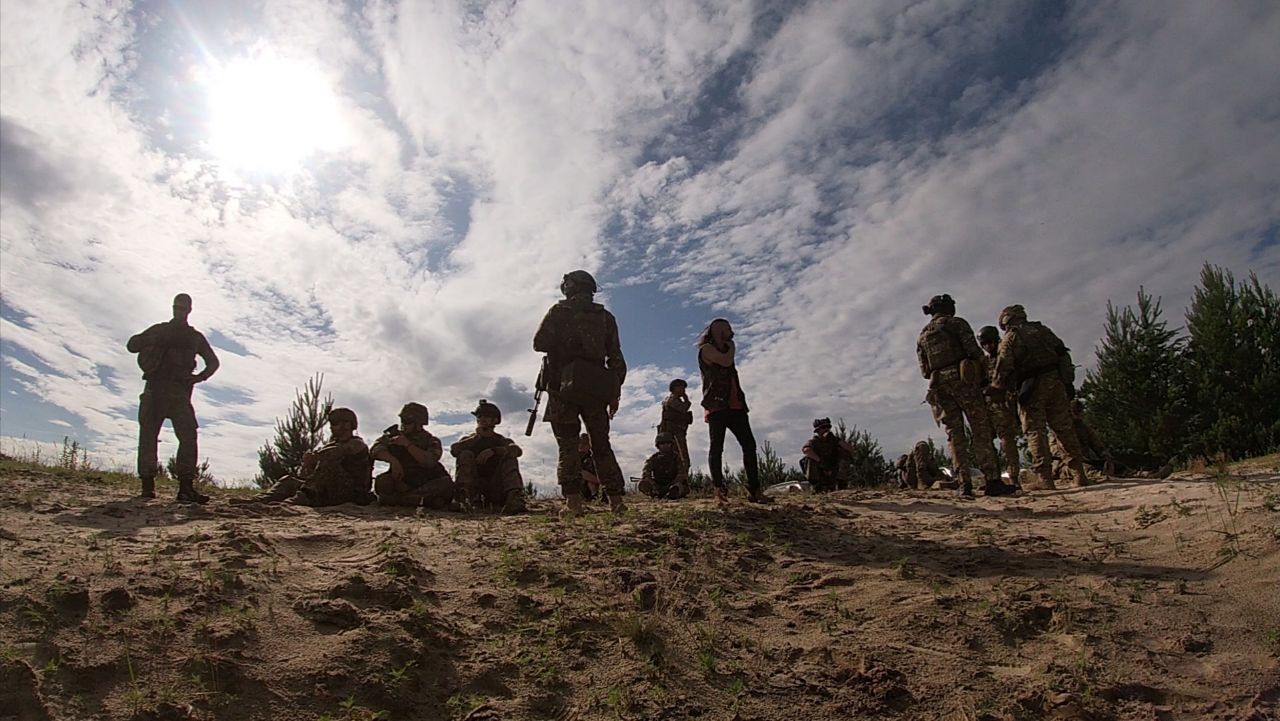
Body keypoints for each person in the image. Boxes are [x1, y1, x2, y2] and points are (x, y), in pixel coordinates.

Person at [533, 270, 627, 517]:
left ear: (569, 287)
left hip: (562, 387)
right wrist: (614, 393)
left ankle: (573, 503)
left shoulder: (558, 312)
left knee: (568, 445)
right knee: (601, 445)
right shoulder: (606, 317)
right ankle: (616, 501)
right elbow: (616, 359)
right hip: (595, 388)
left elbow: (539, 343)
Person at [127, 293, 221, 503]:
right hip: (155, 389)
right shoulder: (159, 330)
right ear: (172, 308)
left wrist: (199, 378)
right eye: (177, 307)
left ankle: (186, 488)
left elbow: (213, 362)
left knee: (188, 436)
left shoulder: (194, 337)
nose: (179, 311)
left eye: (183, 308)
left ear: (189, 310)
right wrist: (152, 340)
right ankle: (147, 486)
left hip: (180, 393)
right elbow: (132, 345)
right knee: (148, 436)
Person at [916, 294, 1012, 497]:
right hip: (964, 383)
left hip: (939, 387)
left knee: (954, 436)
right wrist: (985, 378)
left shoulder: (922, 335)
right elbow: (975, 352)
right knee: (980, 429)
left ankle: (963, 484)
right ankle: (992, 480)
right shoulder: (956, 324)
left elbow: (925, 371)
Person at [989, 304, 1090, 489]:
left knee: (1035, 431)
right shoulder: (1043, 330)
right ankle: (1079, 474)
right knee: (1064, 428)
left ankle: (1045, 479)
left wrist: (997, 388)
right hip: (1056, 382)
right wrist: (1067, 382)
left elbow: (1003, 368)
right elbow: (1062, 354)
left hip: (1031, 387)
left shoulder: (1010, 338)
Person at [235, 408, 372, 506]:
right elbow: (306, 474)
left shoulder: (357, 444)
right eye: (336, 423)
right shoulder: (327, 447)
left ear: (352, 425)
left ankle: (301, 499)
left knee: (328, 463)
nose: (341, 426)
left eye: (345, 422)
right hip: (328, 491)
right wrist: (308, 464)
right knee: (288, 480)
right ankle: (261, 500)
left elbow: (336, 452)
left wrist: (315, 457)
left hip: (352, 494)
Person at [697, 318, 769, 504]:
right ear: (719, 330)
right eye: (727, 328)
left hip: (736, 405)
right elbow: (726, 361)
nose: (731, 331)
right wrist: (731, 346)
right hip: (716, 406)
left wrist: (730, 345)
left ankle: (754, 490)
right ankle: (719, 491)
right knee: (716, 448)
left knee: (749, 446)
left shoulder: (729, 346)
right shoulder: (706, 349)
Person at [371, 402, 454, 509]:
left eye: (407, 422)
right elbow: (375, 449)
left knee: (446, 485)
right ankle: (421, 501)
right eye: (402, 421)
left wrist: (407, 445)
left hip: (426, 481)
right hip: (403, 481)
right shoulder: (395, 437)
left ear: (418, 424)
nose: (403, 425)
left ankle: (407, 500)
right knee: (383, 482)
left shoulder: (431, 441)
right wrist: (393, 461)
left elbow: (429, 461)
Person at [451, 400, 527, 514]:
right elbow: (455, 450)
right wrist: (476, 438)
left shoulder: (501, 440)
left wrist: (495, 451)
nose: (481, 420)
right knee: (465, 454)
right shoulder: (469, 440)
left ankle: (515, 499)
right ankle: (462, 498)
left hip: (496, 488)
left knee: (510, 458)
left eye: (485, 417)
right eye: (479, 417)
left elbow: (516, 451)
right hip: (475, 488)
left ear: (495, 420)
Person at [978, 325, 1022, 488]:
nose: (988, 346)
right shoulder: (983, 362)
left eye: (990, 342)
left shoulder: (1004, 358)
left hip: (1003, 405)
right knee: (985, 443)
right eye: (985, 344)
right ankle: (993, 478)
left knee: (1007, 441)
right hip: (987, 407)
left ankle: (1013, 478)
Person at [801, 418, 855, 492]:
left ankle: (841, 485)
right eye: (823, 428)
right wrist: (821, 462)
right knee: (809, 459)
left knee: (844, 454)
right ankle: (816, 486)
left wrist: (838, 441)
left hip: (833, 469)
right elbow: (806, 450)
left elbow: (850, 449)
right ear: (818, 430)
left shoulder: (834, 441)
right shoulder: (814, 442)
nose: (826, 430)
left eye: (828, 427)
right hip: (820, 470)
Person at [638, 432, 689, 499]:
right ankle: (655, 494)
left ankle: (672, 494)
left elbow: (681, 474)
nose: (665, 445)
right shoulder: (653, 459)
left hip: (673, 484)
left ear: (671, 444)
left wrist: (672, 483)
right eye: (662, 444)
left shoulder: (676, 457)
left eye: (668, 443)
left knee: (679, 486)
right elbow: (646, 474)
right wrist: (653, 484)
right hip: (658, 485)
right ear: (658, 446)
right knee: (642, 484)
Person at [658, 379, 693, 469]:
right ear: (675, 388)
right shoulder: (672, 399)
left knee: (679, 458)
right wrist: (687, 400)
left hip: (676, 432)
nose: (683, 390)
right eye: (681, 387)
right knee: (682, 458)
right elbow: (683, 408)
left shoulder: (673, 399)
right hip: (674, 434)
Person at [578, 433, 602, 502]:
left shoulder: (591, 458)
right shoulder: (574, 458)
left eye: (585, 444)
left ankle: (595, 495)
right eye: (580, 443)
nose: (582, 446)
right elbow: (580, 472)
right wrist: (599, 482)